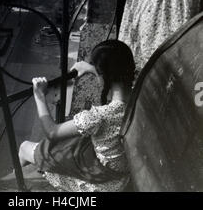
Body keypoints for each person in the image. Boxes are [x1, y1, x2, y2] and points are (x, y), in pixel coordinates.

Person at [18, 40, 135, 192]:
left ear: (103, 75)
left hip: (102, 185)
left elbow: (52, 132)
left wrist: (39, 96)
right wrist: (92, 69)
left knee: (24, 148)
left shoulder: (100, 116)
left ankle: (14, 186)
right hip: (122, 176)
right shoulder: (139, 95)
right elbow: (113, 74)